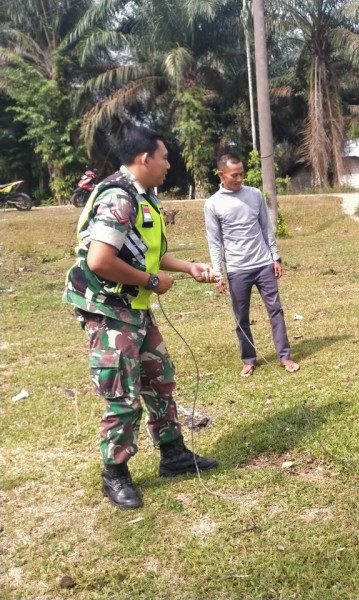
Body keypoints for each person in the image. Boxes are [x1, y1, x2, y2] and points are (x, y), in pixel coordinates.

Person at [63, 125, 219, 510]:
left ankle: (174, 455)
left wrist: (188, 267)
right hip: (109, 309)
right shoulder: (118, 198)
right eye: (164, 157)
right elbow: (100, 261)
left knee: (160, 378)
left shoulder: (143, 195)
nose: (169, 164)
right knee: (122, 395)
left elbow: (141, 252)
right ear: (145, 158)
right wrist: (152, 281)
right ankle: (114, 475)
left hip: (134, 307)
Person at [204, 153, 299, 377]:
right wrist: (218, 273)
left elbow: (266, 228)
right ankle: (248, 359)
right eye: (234, 175)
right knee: (241, 317)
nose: (239, 179)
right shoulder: (213, 204)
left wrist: (275, 258)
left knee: (276, 311)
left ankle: (284, 356)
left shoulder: (255, 195)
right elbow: (214, 241)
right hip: (237, 269)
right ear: (221, 175)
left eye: (242, 174)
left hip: (264, 264)